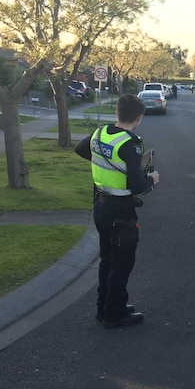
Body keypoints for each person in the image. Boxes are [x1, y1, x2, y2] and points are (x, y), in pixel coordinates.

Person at [74, 94, 159, 328]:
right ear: (139, 118)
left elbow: (80, 148)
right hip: (121, 211)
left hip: (100, 205)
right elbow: (138, 186)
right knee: (122, 264)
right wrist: (151, 178)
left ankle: (106, 307)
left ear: (117, 113)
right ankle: (115, 314)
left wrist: (102, 163)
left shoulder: (100, 133)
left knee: (108, 260)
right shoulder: (130, 143)